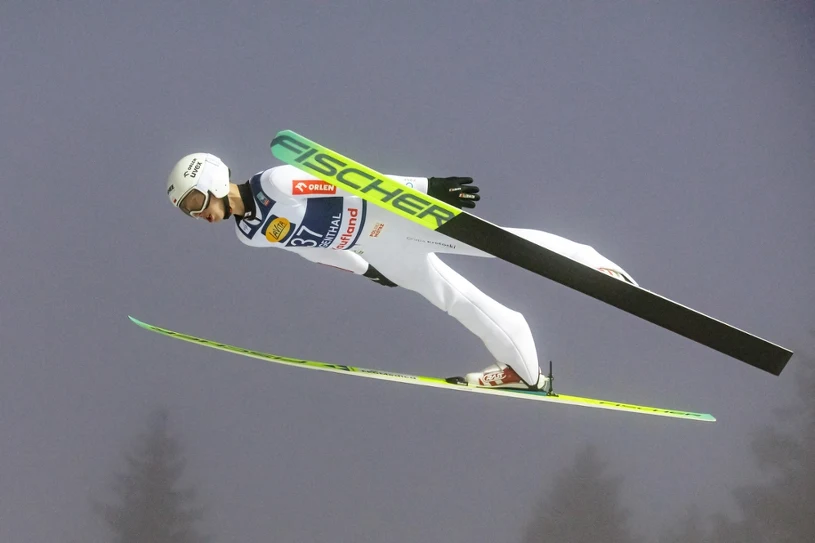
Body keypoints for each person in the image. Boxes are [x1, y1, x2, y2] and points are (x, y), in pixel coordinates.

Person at [166, 153, 636, 390]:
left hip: (393, 220)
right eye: (187, 212)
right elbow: (308, 249)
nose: (196, 215)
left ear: (208, 178)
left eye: (192, 202)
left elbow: (349, 180)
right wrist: (365, 270)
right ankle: (527, 372)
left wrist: (426, 188)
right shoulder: (248, 234)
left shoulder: (276, 181)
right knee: (451, 298)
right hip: (371, 248)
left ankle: (592, 263)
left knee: (502, 246)